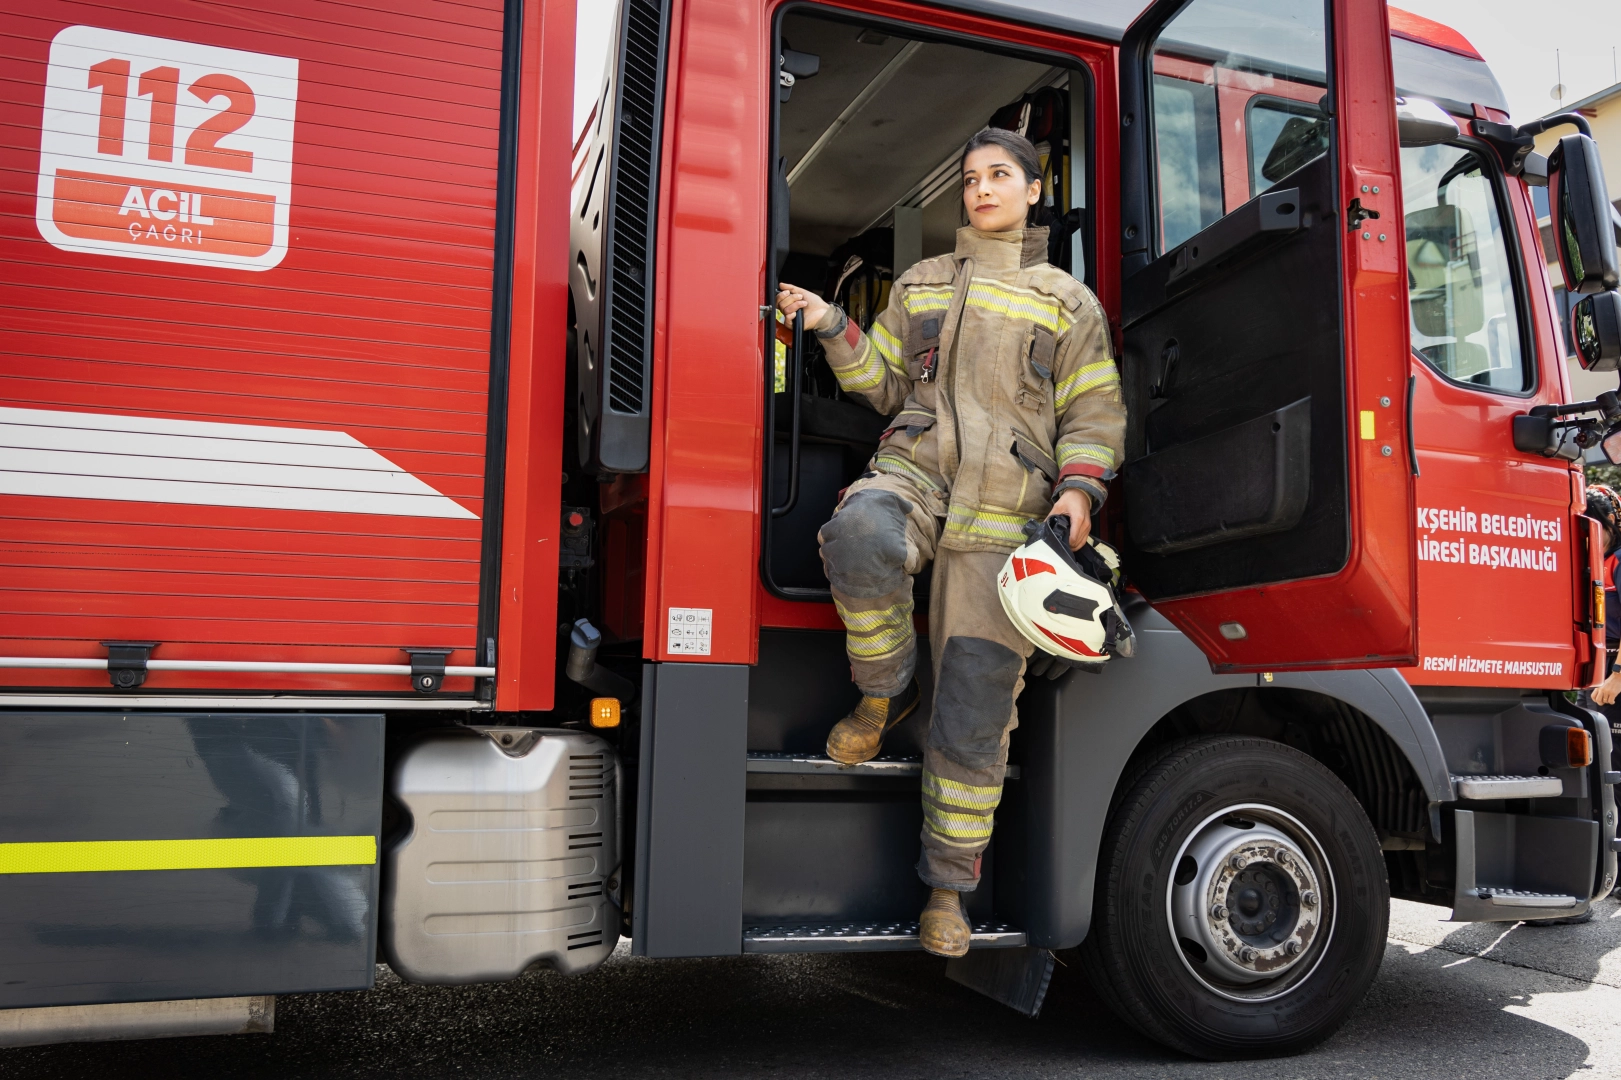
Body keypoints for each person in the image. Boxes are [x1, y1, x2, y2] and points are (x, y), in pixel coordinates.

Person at [776, 127, 1126, 957]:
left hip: (1008, 518)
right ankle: (884, 691)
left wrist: (1078, 494)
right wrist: (831, 322)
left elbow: (1095, 414)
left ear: (1032, 191)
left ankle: (946, 892)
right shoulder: (924, 282)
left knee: (974, 713)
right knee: (858, 532)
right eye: (970, 177)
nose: (981, 189)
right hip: (917, 475)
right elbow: (883, 383)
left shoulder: (1065, 301)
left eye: (999, 175)